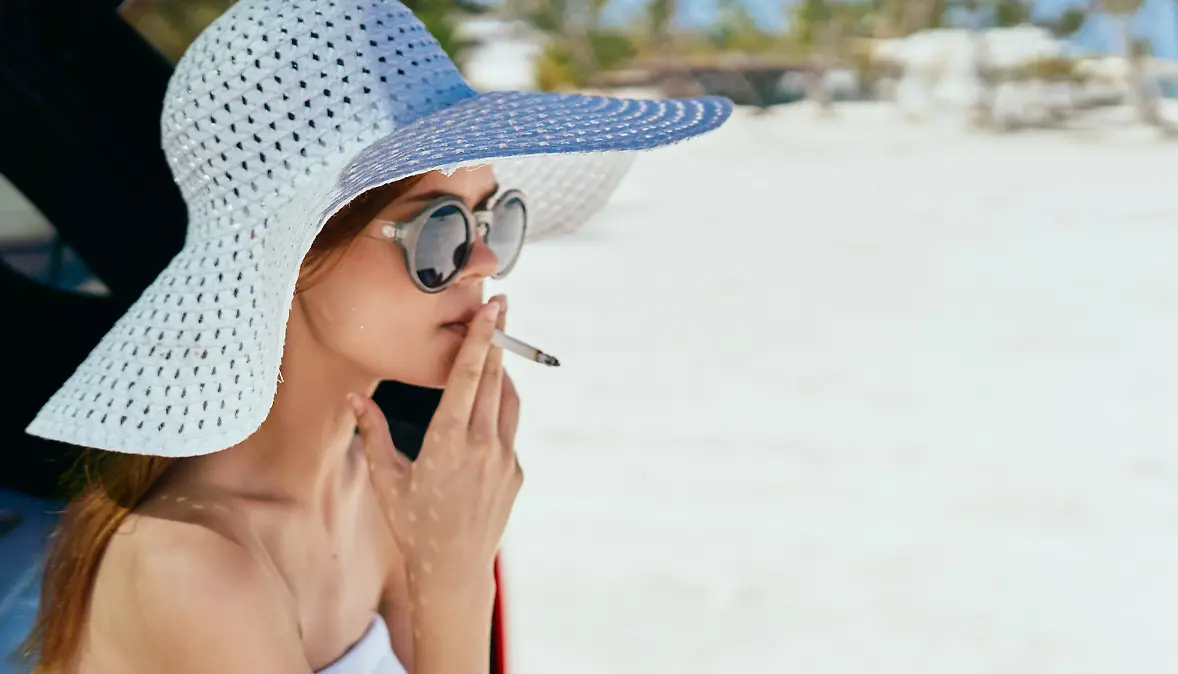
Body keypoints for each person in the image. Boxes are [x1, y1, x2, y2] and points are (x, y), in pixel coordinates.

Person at [18, 0, 731, 672]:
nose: (483, 261)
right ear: (292, 261)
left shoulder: (378, 492)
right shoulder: (195, 567)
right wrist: (454, 583)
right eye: (437, 232)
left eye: (493, 219)